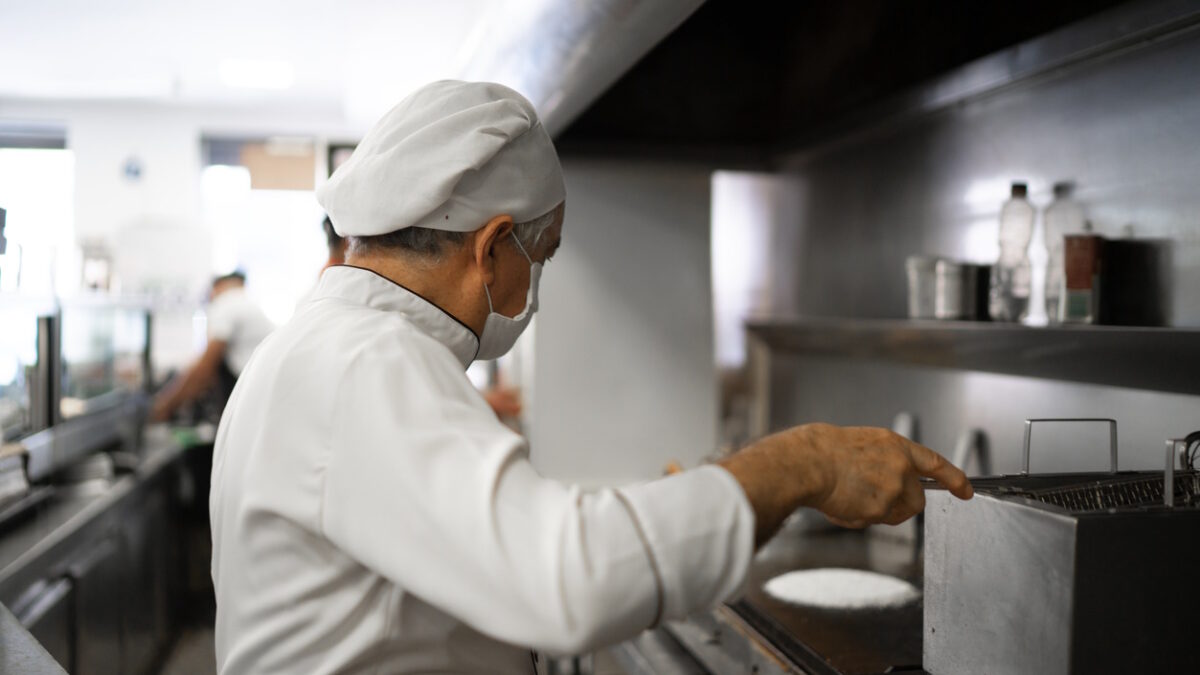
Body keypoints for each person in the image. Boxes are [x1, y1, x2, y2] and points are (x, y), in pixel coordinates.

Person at [210, 81, 973, 674]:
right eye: (543, 256)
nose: (536, 283)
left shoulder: (332, 347)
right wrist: (803, 461)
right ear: (493, 248)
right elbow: (563, 578)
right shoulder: (366, 362)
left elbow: (494, 537)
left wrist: (693, 493)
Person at [150, 271, 273, 422]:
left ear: (217, 287)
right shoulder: (248, 304)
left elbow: (205, 368)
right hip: (261, 398)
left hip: (249, 401)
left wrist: (165, 406)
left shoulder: (226, 304)